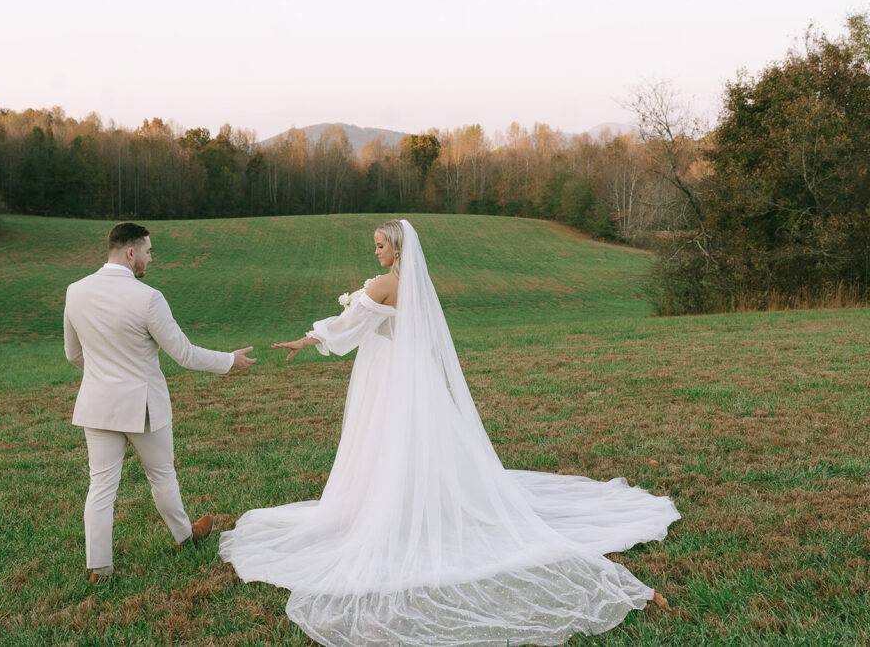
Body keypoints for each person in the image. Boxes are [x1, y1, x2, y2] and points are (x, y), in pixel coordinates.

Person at [219, 219, 679, 646]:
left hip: (387, 379)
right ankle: (419, 498)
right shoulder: (415, 286)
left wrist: (307, 338)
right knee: (416, 441)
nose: (375, 252)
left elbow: (348, 327)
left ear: (396, 248)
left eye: (380, 245)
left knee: (385, 440)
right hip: (413, 374)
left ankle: (393, 508)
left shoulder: (382, 285)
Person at [64, 222, 255, 584]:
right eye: (148, 251)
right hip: (143, 406)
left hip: (98, 403)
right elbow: (183, 354)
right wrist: (230, 360)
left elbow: (73, 353)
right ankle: (185, 538)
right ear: (130, 252)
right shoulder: (147, 297)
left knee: (101, 487)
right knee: (162, 475)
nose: (151, 258)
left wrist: (105, 376)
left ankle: (99, 569)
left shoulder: (75, 292)